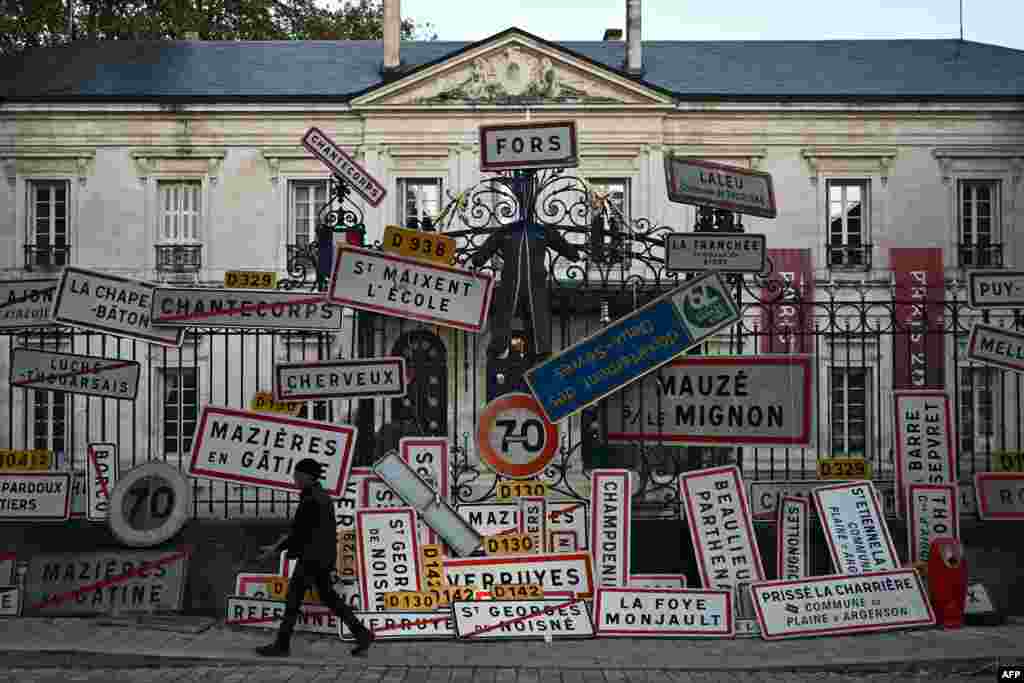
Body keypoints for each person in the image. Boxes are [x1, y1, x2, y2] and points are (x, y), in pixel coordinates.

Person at [255, 458, 374, 657]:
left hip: (311, 558)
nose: (294, 478)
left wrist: (273, 551)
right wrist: (276, 547)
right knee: (329, 598)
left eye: (297, 474)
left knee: (293, 600)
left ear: (307, 476)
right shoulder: (321, 496)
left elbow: (297, 534)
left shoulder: (311, 499)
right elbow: (303, 532)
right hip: (322, 556)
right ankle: (362, 634)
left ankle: (282, 645)